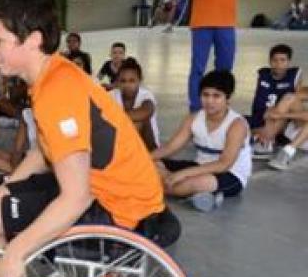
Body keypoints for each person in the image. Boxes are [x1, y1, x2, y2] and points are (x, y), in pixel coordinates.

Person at [0, 0, 175, 277]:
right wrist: (7, 188)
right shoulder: (50, 76)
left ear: (32, 40)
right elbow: (42, 153)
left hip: (122, 211)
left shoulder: (58, 90)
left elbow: (77, 197)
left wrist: (16, 251)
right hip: (112, 193)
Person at [152, 70, 251, 212]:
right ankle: (176, 187)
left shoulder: (237, 125)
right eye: (205, 95)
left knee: (197, 182)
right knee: (153, 163)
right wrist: (142, 159)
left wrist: (183, 174)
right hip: (200, 165)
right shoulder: (193, 118)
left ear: (228, 98)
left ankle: (166, 186)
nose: (209, 101)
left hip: (230, 175)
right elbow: (170, 147)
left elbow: (224, 164)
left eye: (216, 96)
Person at [180, 0, 249, 112]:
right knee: (197, 68)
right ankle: (196, 108)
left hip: (226, 22)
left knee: (225, 68)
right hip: (201, 21)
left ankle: (220, 104)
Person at [249, 44, 303, 157]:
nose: (278, 64)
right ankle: (261, 137)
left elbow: (297, 101)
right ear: (269, 61)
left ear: (288, 62)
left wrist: (279, 113)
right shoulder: (263, 74)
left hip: (285, 119)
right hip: (263, 117)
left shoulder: (294, 76)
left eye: (283, 60)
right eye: (275, 60)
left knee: (288, 98)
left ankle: (266, 141)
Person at [109, 58, 160, 151]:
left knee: (139, 122)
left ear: (139, 80)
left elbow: (145, 112)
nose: (127, 85)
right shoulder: (112, 95)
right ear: (117, 82)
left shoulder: (146, 95)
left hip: (147, 145)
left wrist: (113, 118)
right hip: (122, 143)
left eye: (132, 81)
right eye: (123, 81)